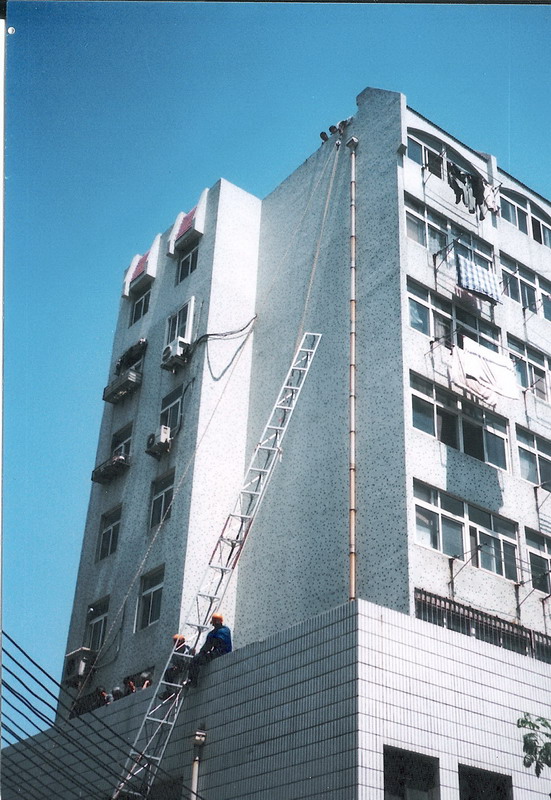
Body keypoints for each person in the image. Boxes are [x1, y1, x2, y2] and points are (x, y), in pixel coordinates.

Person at [186, 613, 232, 688]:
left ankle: (193, 681)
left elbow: (208, 646)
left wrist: (200, 654)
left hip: (219, 653)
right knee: (197, 659)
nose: (213, 625)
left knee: (195, 660)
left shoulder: (218, 632)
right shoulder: (226, 630)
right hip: (220, 652)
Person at [159, 634, 192, 701]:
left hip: (185, 666)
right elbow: (174, 662)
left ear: (182, 641)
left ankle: (171, 691)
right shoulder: (175, 651)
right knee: (167, 672)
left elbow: (188, 659)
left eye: (177, 641)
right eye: (174, 641)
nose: (175, 643)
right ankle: (170, 691)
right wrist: (175, 667)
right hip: (178, 668)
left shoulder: (187, 649)